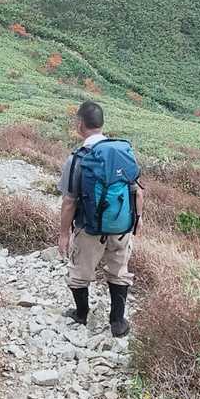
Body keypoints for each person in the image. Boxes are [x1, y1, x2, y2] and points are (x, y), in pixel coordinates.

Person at [57, 100, 142, 337]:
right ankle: (118, 322)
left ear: (80, 124)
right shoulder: (123, 152)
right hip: (121, 225)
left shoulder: (78, 158)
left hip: (89, 228)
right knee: (119, 271)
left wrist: (63, 234)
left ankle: (81, 314)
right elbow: (137, 191)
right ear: (102, 124)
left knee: (79, 273)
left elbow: (69, 201)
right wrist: (137, 219)